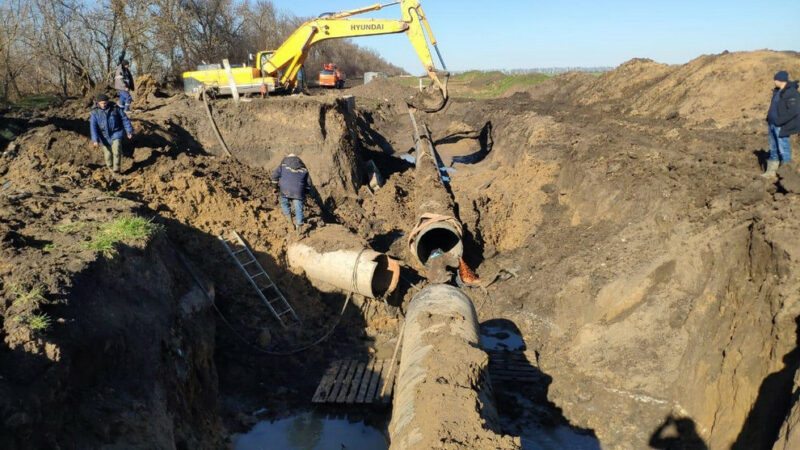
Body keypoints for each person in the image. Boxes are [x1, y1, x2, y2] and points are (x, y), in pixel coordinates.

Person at [763, 70, 800, 177]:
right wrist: (769, 119)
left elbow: (794, 111)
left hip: (781, 125)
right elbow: (774, 107)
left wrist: (779, 121)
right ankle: (771, 172)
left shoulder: (791, 92)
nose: (774, 81)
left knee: (783, 148)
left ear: (781, 80)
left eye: (775, 79)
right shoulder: (777, 91)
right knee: (773, 148)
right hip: (772, 124)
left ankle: (787, 176)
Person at [90, 93, 133, 174]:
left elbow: (124, 119)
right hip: (103, 136)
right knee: (108, 156)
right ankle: (111, 171)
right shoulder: (94, 112)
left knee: (117, 151)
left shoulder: (115, 108)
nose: (104, 105)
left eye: (105, 103)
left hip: (116, 132)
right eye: (102, 103)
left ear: (108, 102)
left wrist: (129, 131)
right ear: (98, 103)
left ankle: (117, 170)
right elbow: (93, 127)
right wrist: (95, 139)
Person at [271, 154, 313, 233]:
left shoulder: (283, 165)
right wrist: (305, 192)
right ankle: (299, 227)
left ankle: (290, 221)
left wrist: (274, 187)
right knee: (298, 208)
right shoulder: (304, 168)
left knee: (284, 203)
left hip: (285, 189)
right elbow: (309, 183)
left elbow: (275, 175)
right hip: (298, 191)